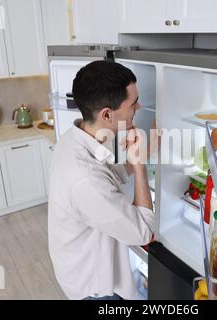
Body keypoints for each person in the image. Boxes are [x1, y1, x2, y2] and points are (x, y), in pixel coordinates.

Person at [48, 61, 157, 300]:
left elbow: (112, 173)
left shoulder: (77, 136)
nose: (139, 106)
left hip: (80, 263)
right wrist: (139, 165)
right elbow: (144, 232)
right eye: (133, 103)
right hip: (94, 288)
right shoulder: (84, 179)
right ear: (107, 114)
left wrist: (145, 152)